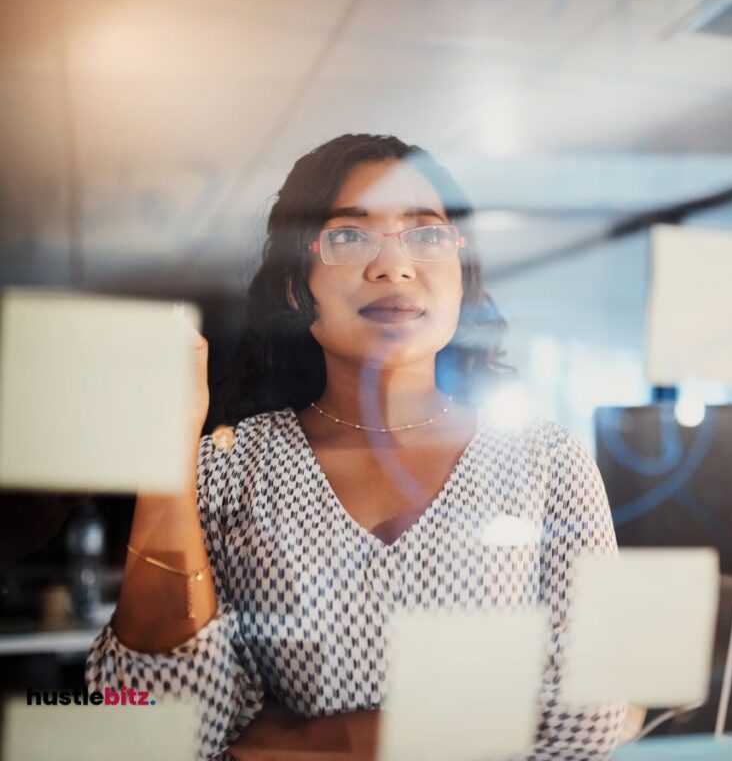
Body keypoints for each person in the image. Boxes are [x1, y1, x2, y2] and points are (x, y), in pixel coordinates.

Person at [85, 133, 626, 760]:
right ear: (296, 284)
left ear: (461, 275)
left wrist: (303, 741)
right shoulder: (231, 468)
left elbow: (586, 724)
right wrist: (166, 459)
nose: (393, 267)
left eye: (426, 235)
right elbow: (158, 727)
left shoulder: (546, 462)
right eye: (348, 236)